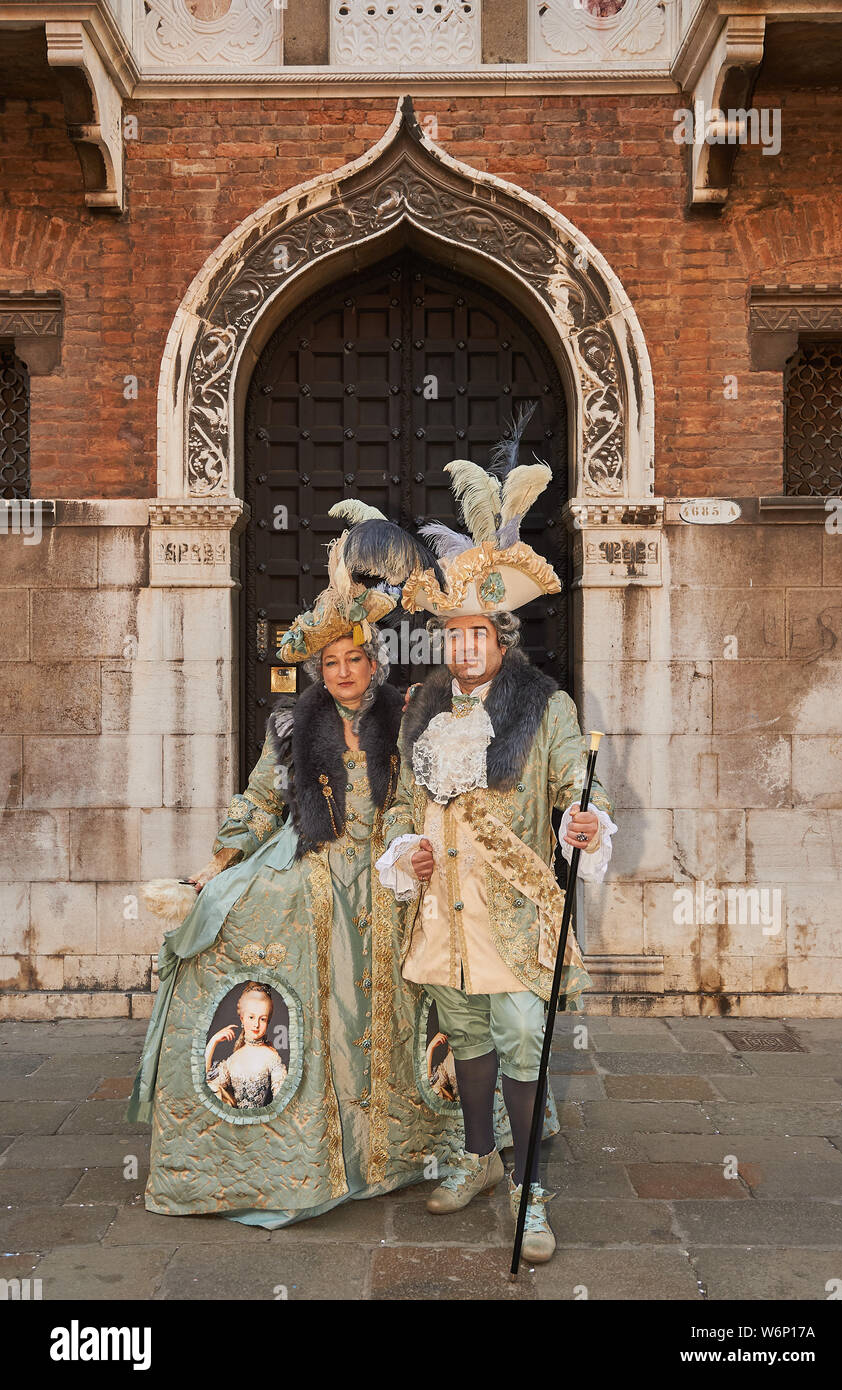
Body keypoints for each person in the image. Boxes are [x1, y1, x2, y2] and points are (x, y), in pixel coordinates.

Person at [127, 513, 463, 1225]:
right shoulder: (290, 726)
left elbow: (408, 803)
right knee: (227, 928)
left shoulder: (403, 722)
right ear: (320, 668)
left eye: (355, 660)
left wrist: (404, 853)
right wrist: (212, 868)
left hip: (386, 876)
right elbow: (257, 800)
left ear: (375, 662)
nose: (343, 673)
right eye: (331, 663)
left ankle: (399, 1148)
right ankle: (294, 1150)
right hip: (311, 871)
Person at [352, 406, 618, 1263]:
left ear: (502, 635)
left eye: (479, 632)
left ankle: (532, 1193)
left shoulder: (545, 706)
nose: (464, 645)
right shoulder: (420, 706)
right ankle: (475, 1159)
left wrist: (583, 820)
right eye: (453, 633)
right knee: (463, 1038)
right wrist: (404, 851)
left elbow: (579, 780)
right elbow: (399, 805)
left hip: (513, 911)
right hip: (442, 911)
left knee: (518, 1046)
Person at [204, 981, 287, 1109]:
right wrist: (212, 1042)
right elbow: (208, 1090)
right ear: (242, 1018)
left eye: (263, 1019)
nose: (256, 1025)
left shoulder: (271, 1056)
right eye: (251, 1017)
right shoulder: (233, 1058)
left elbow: (282, 1101)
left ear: (268, 1021)